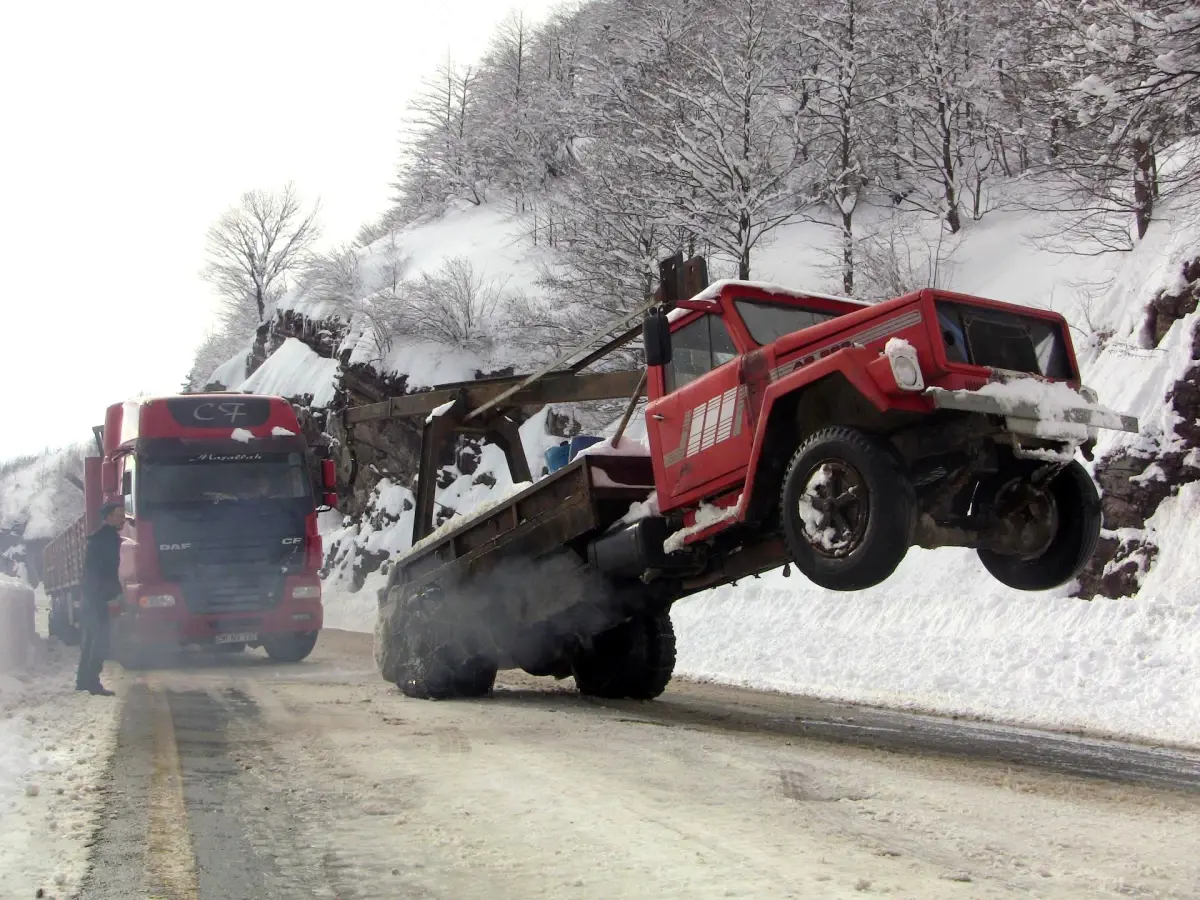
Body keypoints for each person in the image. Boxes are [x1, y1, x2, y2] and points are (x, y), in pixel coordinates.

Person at [75, 500, 124, 696]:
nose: (122, 518)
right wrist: (108, 595)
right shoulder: (104, 540)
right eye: (119, 515)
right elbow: (100, 572)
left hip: (93, 594)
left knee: (91, 639)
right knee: (100, 640)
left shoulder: (105, 538)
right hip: (97, 596)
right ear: (109, 517)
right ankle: (93, 682)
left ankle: (83, 681)